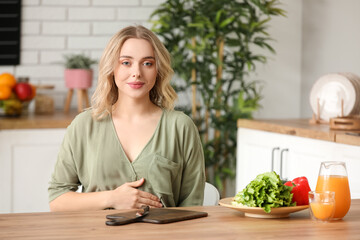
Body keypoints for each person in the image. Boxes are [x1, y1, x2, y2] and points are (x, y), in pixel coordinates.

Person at [48, 25, 206, 211]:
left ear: (158, 70)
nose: (137, 72)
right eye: (126, 62)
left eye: (147, 63)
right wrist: (112, 199)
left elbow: (192, 206)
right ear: (112, 68)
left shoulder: (180, 127)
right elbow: (57, 200)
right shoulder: (84, 126)